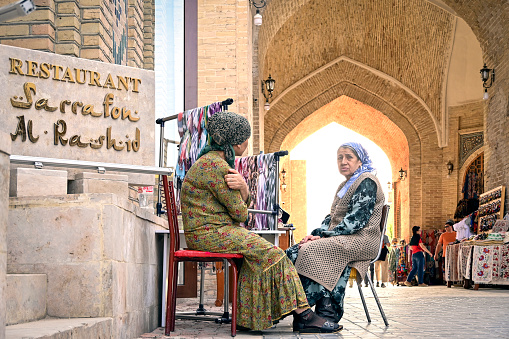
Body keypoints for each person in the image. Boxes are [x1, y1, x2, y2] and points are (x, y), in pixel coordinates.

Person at [180, 111, 341, 333]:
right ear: (235, 141)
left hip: (208, 233)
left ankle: (249, 320)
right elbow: (240, 214)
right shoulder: (218, 168)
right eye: (245, 138)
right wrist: (245, 188)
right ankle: (304, 315)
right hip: (211, 234)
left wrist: (243, 191)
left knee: (256, 258)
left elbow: (237, 212)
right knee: (274, 255)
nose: (247, 143)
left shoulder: (207, 163)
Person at [286, 142, 384, 324]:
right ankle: (311, 309)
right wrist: (316, 234)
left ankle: (315, 311)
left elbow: (356, 221)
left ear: (360, 160)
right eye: (340, 158)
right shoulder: (344, 185)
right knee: (296, 250)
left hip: (362, 239)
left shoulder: (367, 181)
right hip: (345, 237)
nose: (343, 161)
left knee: (311, 251)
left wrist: (323, 237)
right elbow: (331, 218)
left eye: (349, 157)